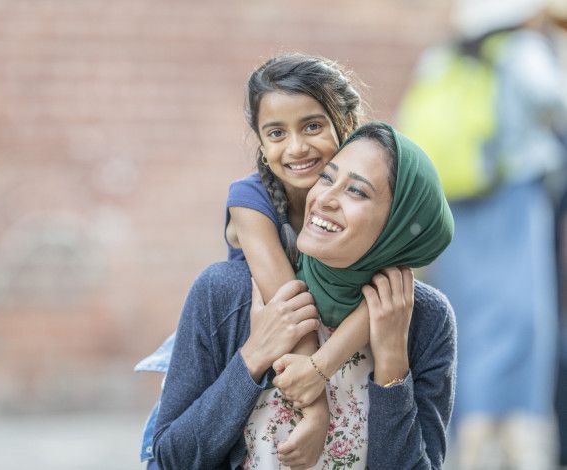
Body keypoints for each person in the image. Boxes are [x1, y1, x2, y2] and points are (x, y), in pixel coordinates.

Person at [153, 122, 457, 469]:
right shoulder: (225, 291)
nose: (325, 198)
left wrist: (391, 365)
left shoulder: (425, 318)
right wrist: (253, 356)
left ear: (399, 225)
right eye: (327, 178)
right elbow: (172, 459)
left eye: (356, 192)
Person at [137, 53, 377, 468]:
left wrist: (325, 366)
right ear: (262, 146)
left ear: (348, 127)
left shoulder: (369, 200)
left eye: (313, 126)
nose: (297, 147)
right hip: (236, 352)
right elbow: (288, 303)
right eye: (277, 133)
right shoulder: (251, 199)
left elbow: (388, 290)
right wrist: (316, 408)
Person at [398, 1, 567, 468]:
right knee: (521, 322)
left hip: (456, 208)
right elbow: (557, 101)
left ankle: (465, 440)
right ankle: (513, 443)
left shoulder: (443, 57)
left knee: (465, 322)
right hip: (513, 200)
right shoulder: (522, 51)